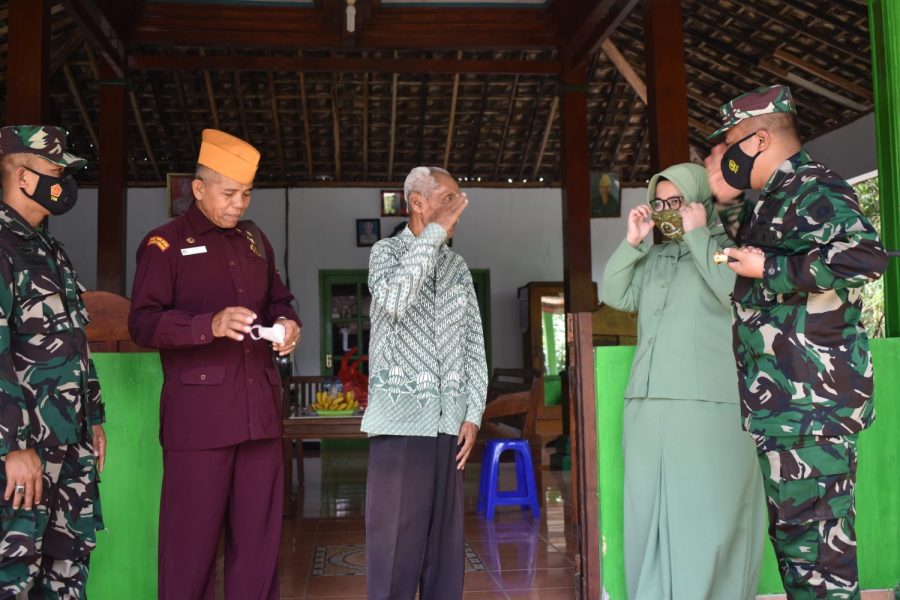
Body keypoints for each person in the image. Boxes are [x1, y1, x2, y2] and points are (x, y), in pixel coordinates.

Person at [705, 85, 888, 599]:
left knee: (819, 560)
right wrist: (727, 209)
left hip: (814, 408)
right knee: (799, 549)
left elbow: (864, 258)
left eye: (730, 142)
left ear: (760, 139)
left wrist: (772, 268)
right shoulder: (774, 201)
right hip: (788, 407)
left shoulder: (814, 188)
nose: (724, 155)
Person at [128, 129, 301, 600]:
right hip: (199, 425)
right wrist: (209, 325)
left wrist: (287, 324)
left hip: (259, 416)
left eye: (246, 193)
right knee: (191, 552)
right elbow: (143, 323)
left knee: (259, 551)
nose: (238, 203)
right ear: (198, 189)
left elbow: (281, 300)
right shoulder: (164, 245)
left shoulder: (254, 241)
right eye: (228, 192)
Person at [602, 163, 766, 600]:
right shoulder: (655, 258)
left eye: (676, 201)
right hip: (646, 404)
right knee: (647, 516)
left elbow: (735, 293)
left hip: (706, 405)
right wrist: (633, 240)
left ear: (699, 202)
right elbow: (614, 294)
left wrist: (697, 234)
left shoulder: (727, 249)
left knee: (704, 518)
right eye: (660, 203)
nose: (666, 211)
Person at [361, 166, 488, 600]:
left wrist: (472, 413)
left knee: (444, 553)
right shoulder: (385, 253)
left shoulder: (459, 269)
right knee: (394, 550)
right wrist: (434, 235)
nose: (458, 209)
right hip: (399, 427)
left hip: (448, 428)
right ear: (417, 202)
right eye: (448, 198)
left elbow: (474, 345)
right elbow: (395, 301)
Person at [0, 125, 107, 597]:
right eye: (53, 170)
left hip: (69, 441)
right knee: (15, 570)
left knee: (67, 567)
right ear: (21, 176)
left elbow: (74, 343)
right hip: (25, 450)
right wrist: (12, 445)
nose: (62, 181)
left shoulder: (50, 249)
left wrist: (94, 418)